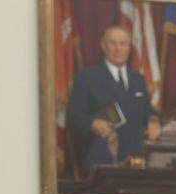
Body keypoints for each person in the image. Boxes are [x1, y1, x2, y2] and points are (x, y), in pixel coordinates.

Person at [67, 25, 162, 174]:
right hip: (101, 158)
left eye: (123, 44)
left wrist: (153, 119)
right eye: (113, 43)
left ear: (130, 48)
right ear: (103, 46)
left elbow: (146, 108)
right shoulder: (86, 77)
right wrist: (92, 123)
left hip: (136, 159)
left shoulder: (138, 79)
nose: (118, 49)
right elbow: (74, 114)